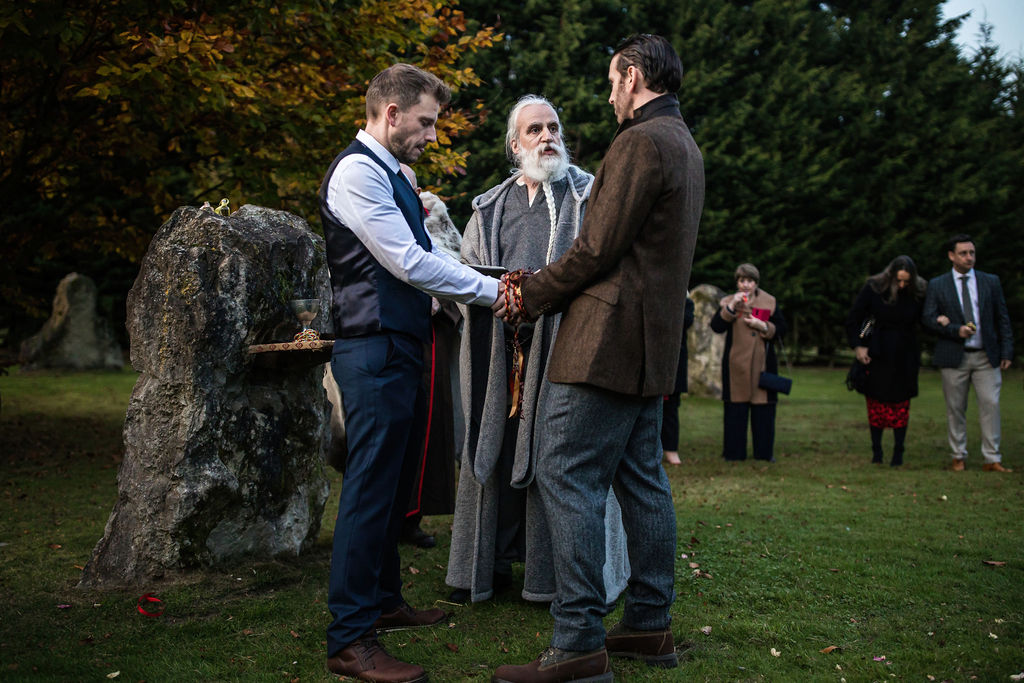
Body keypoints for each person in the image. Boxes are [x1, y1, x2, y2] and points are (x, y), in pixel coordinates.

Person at [493, 35, 704, 681]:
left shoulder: (641, 142)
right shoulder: (684, 143)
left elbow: (595, 249)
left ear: (634, 76)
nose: (610, 94)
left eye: (614, 82)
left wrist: (528, 293)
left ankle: (579, 640)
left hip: (607, 344)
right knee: (641, 478)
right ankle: (648, 623)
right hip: (649, 346)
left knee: (565, 468)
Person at [318, 63, 504, 683]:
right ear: (390, 114)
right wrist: (495, 289)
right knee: (369, 489)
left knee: (394, 484)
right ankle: (350, 638)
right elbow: (409, 263)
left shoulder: (397, 174)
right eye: (425, 122)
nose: (431, 134)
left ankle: (385, 601)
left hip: (402, 345)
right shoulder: (356, 173)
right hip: (369, 350)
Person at [446, 95, 630, 606]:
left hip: (565, 355)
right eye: (534, 130)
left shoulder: (590, 197)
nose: (547, 137)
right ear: (515, 144)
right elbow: (468, 275)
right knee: (497, 453)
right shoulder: (488, 208)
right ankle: (491, 566)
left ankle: (554, 579)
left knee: (559, 458)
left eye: (553, 127)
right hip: (499, 359)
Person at [921, 234, 1013, 473]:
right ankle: (958, 455)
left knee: (991, 404)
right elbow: (928, 319)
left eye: (971, 252)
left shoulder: (990, 281)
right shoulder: (938, 284)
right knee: (955, 407)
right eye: (963, 253)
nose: (969, 257)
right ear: (951, 256)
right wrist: (953, 329)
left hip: (986, 355)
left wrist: (1007, 350)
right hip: (954, 356)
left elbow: (1002, 318)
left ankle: (992, 458)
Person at [845, 255, 927, 467]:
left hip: (905, 353)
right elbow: (858, 318)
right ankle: (877, 450)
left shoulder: (918, 292)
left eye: (906, 281)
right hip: (878, 350)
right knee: (876, 400)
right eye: (898, 280)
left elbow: (924, 320)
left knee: (901, 401)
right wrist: (859, 344)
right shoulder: (874, 288)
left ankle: (899, 450)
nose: (901, 285)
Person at [709, 264, 787, 462]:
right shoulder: (728, 301)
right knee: (736, 410)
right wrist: (731, 307)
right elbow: (717, 326)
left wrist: (762, 325)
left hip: (763, 364)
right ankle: (733, 454)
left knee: (764, 411)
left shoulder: (769, 301)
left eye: (750, 281)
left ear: (756, 283)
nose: (746, 285)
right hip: (736, 366)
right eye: (742, 280)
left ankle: (764, 453)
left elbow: (782, 330)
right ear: (737, 282)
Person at [662, 296, 694, 466]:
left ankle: (671, 449)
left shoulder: (686, 302)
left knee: (670, 410)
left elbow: (686, 321)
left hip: (673, 364)